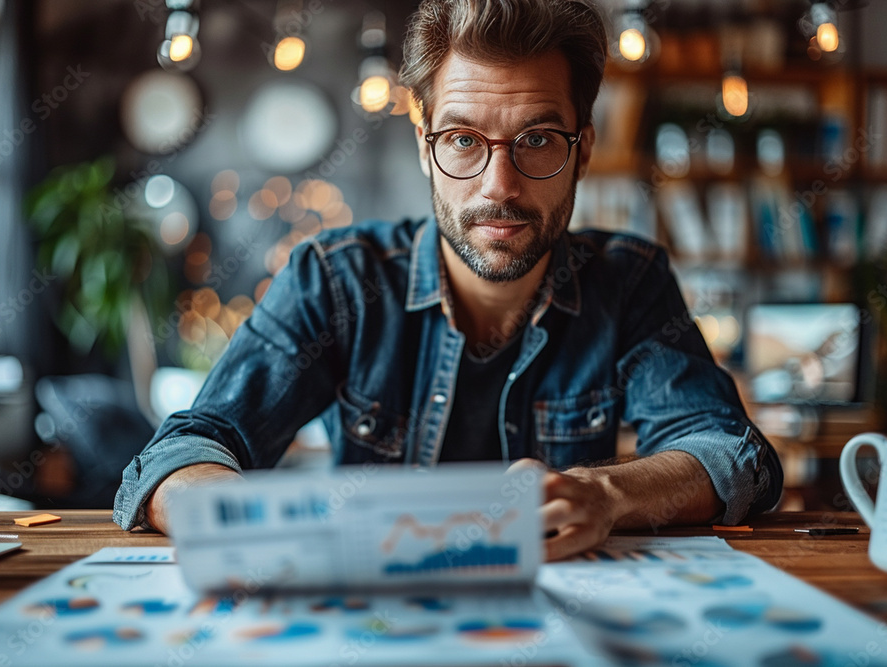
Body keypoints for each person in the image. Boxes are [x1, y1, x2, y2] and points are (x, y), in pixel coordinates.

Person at [114, 0, 782, 560]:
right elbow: (186, 450)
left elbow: (728, 452)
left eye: (539, 138)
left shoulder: (627, 282)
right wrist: (249, 524)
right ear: (423, 143)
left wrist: (605, 495)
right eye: (463, 140)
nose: (501, 187)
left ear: (584, 150)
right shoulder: (336, 280)